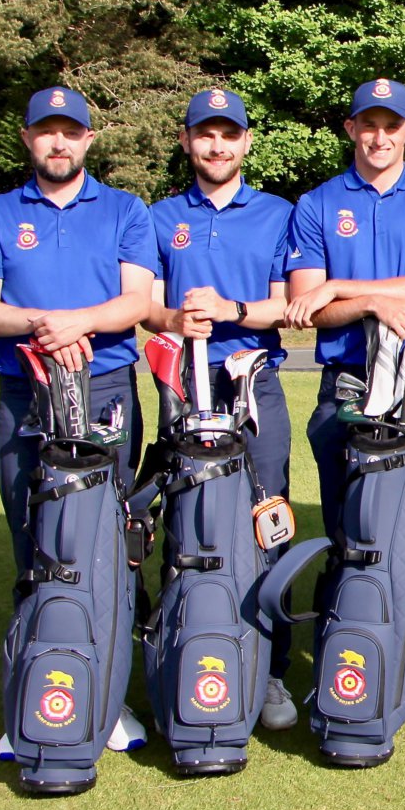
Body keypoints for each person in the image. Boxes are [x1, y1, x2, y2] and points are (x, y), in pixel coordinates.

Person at [0, 85, 156, 758]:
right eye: (46, 131)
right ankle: (31, 689)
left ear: (87, 139)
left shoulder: (125, 210)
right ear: (27, 138)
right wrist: (44, 326)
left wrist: (79, 321)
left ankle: (108, 696)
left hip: (105, 385)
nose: (58, 142)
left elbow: (137, 299)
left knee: (107, 540)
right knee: (33, 541)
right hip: (26, 388)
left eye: (70, 132)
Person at [284, 78, 405, 731]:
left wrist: (342, 283)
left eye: (393, 124)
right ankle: (341, 655)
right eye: (368, 123)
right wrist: (364, 300)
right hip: (346, 386)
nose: (380, 136)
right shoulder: (317, 203)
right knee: (346, 533)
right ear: (350, 128)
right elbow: (307, 305)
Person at [146, 87, 297, 729]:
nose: (217, 145)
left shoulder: (277, 213)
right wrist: (178, 316)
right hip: (183, 385)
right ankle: (191, 657)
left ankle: (269, 673)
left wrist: (231, 310)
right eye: (204, 134)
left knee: (266, 524)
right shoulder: (154, 217)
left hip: (253, 383)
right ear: (186, 141)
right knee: (188, 528)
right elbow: (145, 304)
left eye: (228, 134)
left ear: (246, 142)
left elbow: (286, 304)